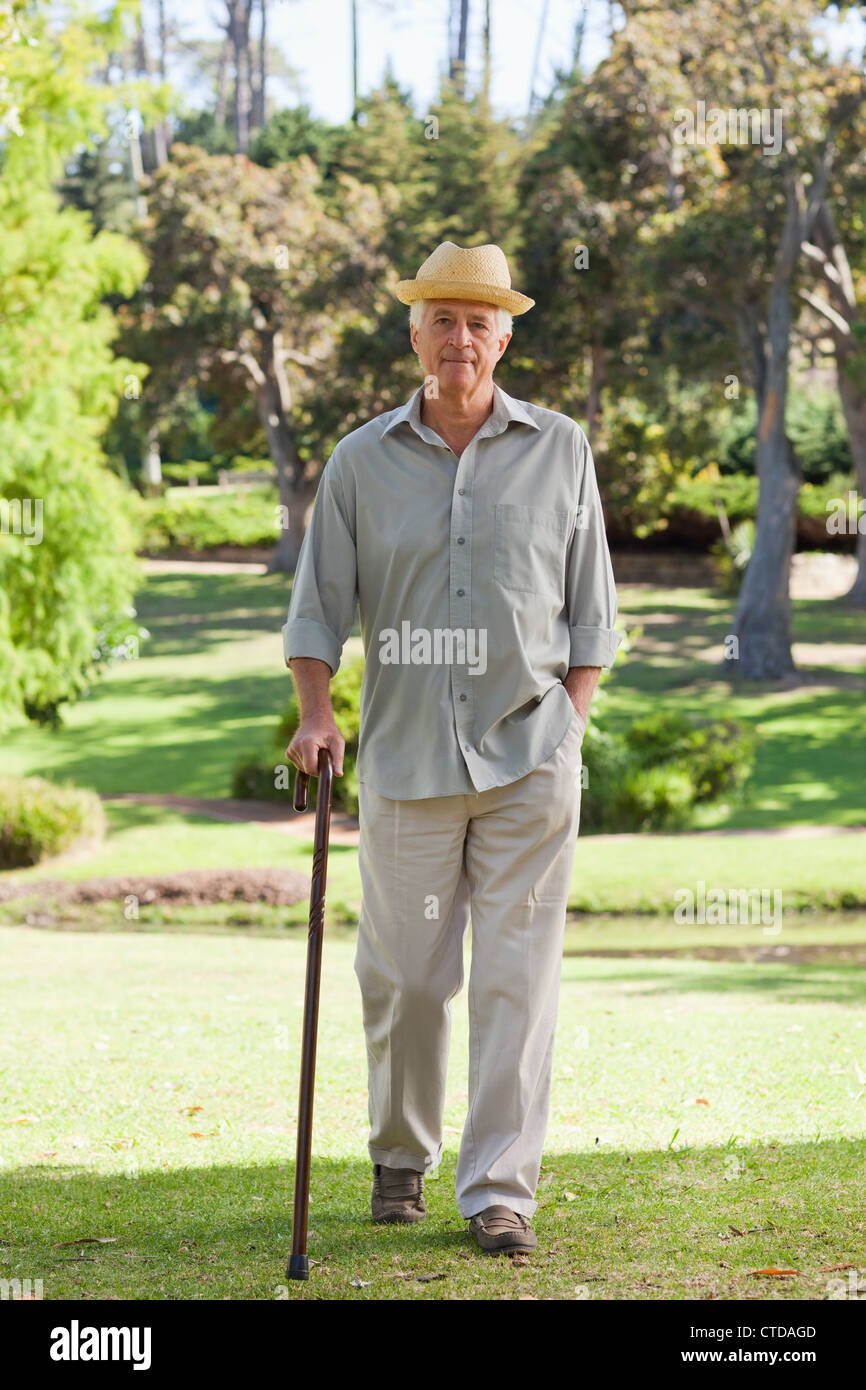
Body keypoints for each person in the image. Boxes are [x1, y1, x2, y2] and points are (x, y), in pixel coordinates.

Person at [282, 240, 622, 1256]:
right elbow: (316, 611)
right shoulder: (359, 461)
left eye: (479, 320)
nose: (460, 337)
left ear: (505, 335)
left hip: (528, 760)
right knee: (407, 976)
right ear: (416, 333)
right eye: (442, 318)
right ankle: (400, 1157)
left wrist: (567, 721)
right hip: (403, 761)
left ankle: (499, 1191)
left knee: (517, 979)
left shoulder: (559, 448)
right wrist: (314, 713)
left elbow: (591, 614)